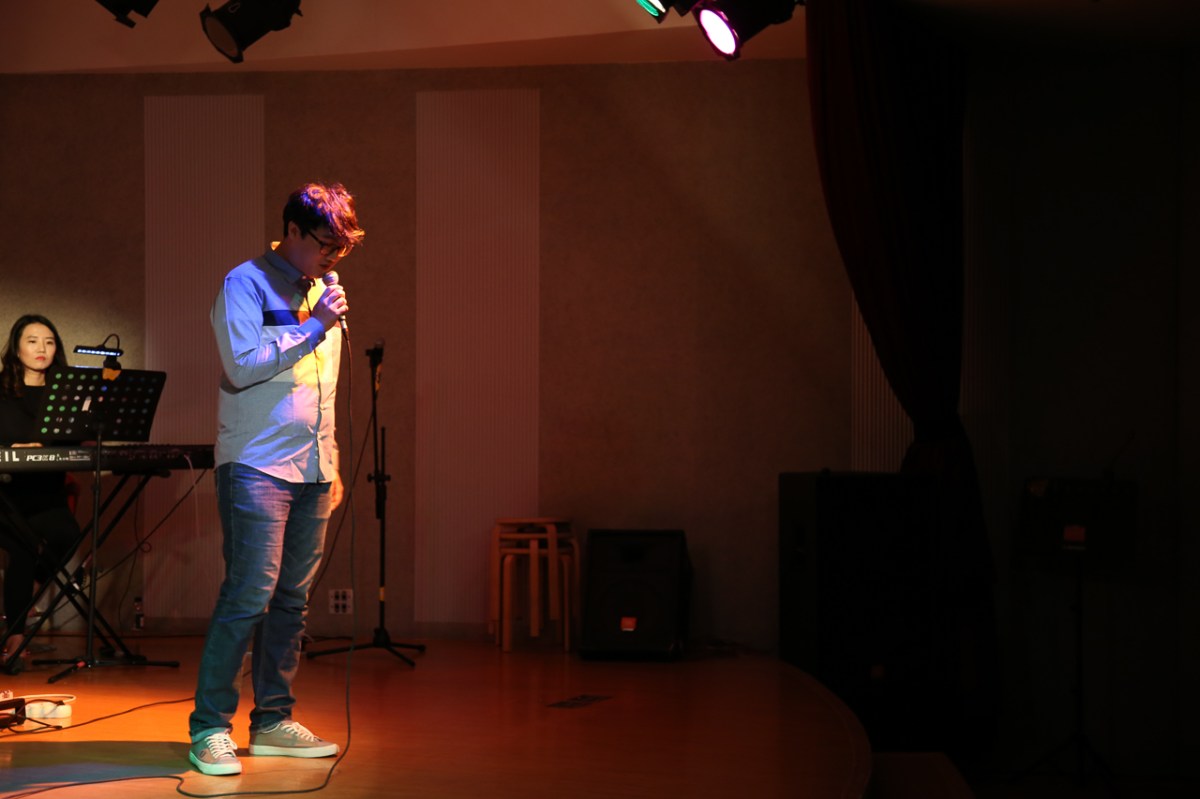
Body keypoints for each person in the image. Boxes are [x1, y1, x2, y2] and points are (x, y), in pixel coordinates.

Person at [188, 182, 364, 776]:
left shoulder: (322, 292)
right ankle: (209, 728)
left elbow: (321, 392)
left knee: (291, 601)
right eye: (324, 245)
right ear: (292, 230)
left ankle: (272, 721)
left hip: (311, 468)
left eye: (340, 249)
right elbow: (241, 368)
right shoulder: (244, 284)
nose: (331, 258)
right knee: (248, 596)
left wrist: (331, 460)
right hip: (257, 463)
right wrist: (314, 328)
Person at [0, 314, 83, 674]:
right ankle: (15, 638)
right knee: (21, 547)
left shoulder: (65, 393)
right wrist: (13, 449)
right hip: (6, 495)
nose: (42, 349)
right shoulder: (2, 390)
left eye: (49, 342)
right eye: (32, 341)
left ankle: (27, 594)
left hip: (46, 494)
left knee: (68, 535)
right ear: (16, 348)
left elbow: (74, 441)